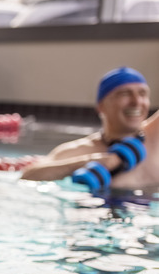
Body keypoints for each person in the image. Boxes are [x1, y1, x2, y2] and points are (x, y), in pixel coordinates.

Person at [21, 66, 159, 190]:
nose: (136, 102)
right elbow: (29, 174)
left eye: (142, 94)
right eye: (125, 94)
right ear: (101, 106)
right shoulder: (79, 151)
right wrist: (90, 161)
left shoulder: (155, 137)